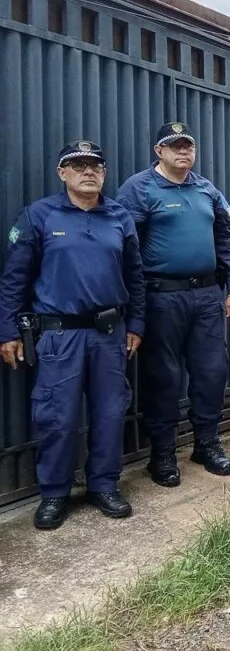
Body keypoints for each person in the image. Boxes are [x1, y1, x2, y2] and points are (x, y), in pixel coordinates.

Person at [0, 142, 145, 529]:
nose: (88, 172)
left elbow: (135, 277)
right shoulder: (39, 215)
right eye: (77, 165)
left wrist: (137, 325)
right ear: (62, 173)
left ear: (103, 173)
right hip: (58, 337)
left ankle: (103, 486)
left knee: (110, 414)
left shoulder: (119, 217)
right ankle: (53, 493)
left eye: (95, 165)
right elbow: (14, 280)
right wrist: (7, 331)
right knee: (57, 418)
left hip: (109, 334)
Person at [117, 121, 230, 487]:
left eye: (187, 145)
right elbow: (127, 249)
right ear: (158, 151)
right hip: (161, 298)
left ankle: (206, 443)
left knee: (211, 372)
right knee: (163, 377)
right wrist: (135, 306)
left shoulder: (207, 190)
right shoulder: (139, 188)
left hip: (206, 296)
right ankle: (162, 453)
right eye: (174, 146)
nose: (183, 151)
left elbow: (224, 239)